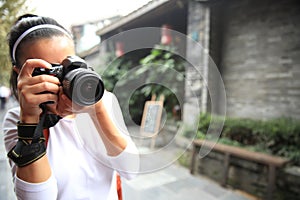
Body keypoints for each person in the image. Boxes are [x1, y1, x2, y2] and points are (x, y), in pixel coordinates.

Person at [2, 14, 139, 200]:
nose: (63, 80)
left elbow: (131, 170)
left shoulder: (103, 101)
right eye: (50, 71)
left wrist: (97, 111)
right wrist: (30, 119)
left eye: (68, 67)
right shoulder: (17, 120)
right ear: (21, 73)